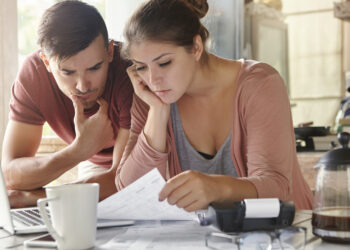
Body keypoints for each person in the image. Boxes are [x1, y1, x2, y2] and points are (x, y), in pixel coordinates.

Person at [115, 0, 313, 211]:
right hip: (212, 240)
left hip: (288, 234)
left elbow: (276, 187)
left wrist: (216, 189)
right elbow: (129, 192)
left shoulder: (260, 85)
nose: (153, 80)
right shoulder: (149, 97)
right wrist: (157, 112)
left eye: (164, 63)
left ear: (196, 48)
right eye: (141, 67)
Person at [1, 0, 133, 207]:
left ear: (109, 52)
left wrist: (37, 199)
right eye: (68, 72)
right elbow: (11, 174)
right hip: (91, 162)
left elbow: (123, 180)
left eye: (95, 68)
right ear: (46, 62)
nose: (82, 86)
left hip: (141, 168)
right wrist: (79, 151)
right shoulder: (33, 75)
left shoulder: (130, 71)